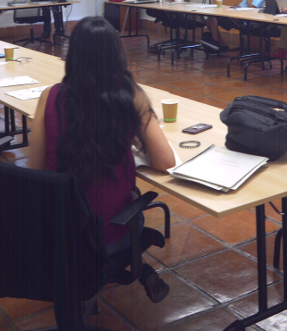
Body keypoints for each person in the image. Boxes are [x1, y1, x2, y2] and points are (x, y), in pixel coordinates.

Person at [26, 16, 175, 301]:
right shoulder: (130, 96)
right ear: (116, 54)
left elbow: (36, 170)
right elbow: (166, 161)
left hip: (56, 233)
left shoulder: (50, 96)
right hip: (108, 234)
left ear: (73, 55)